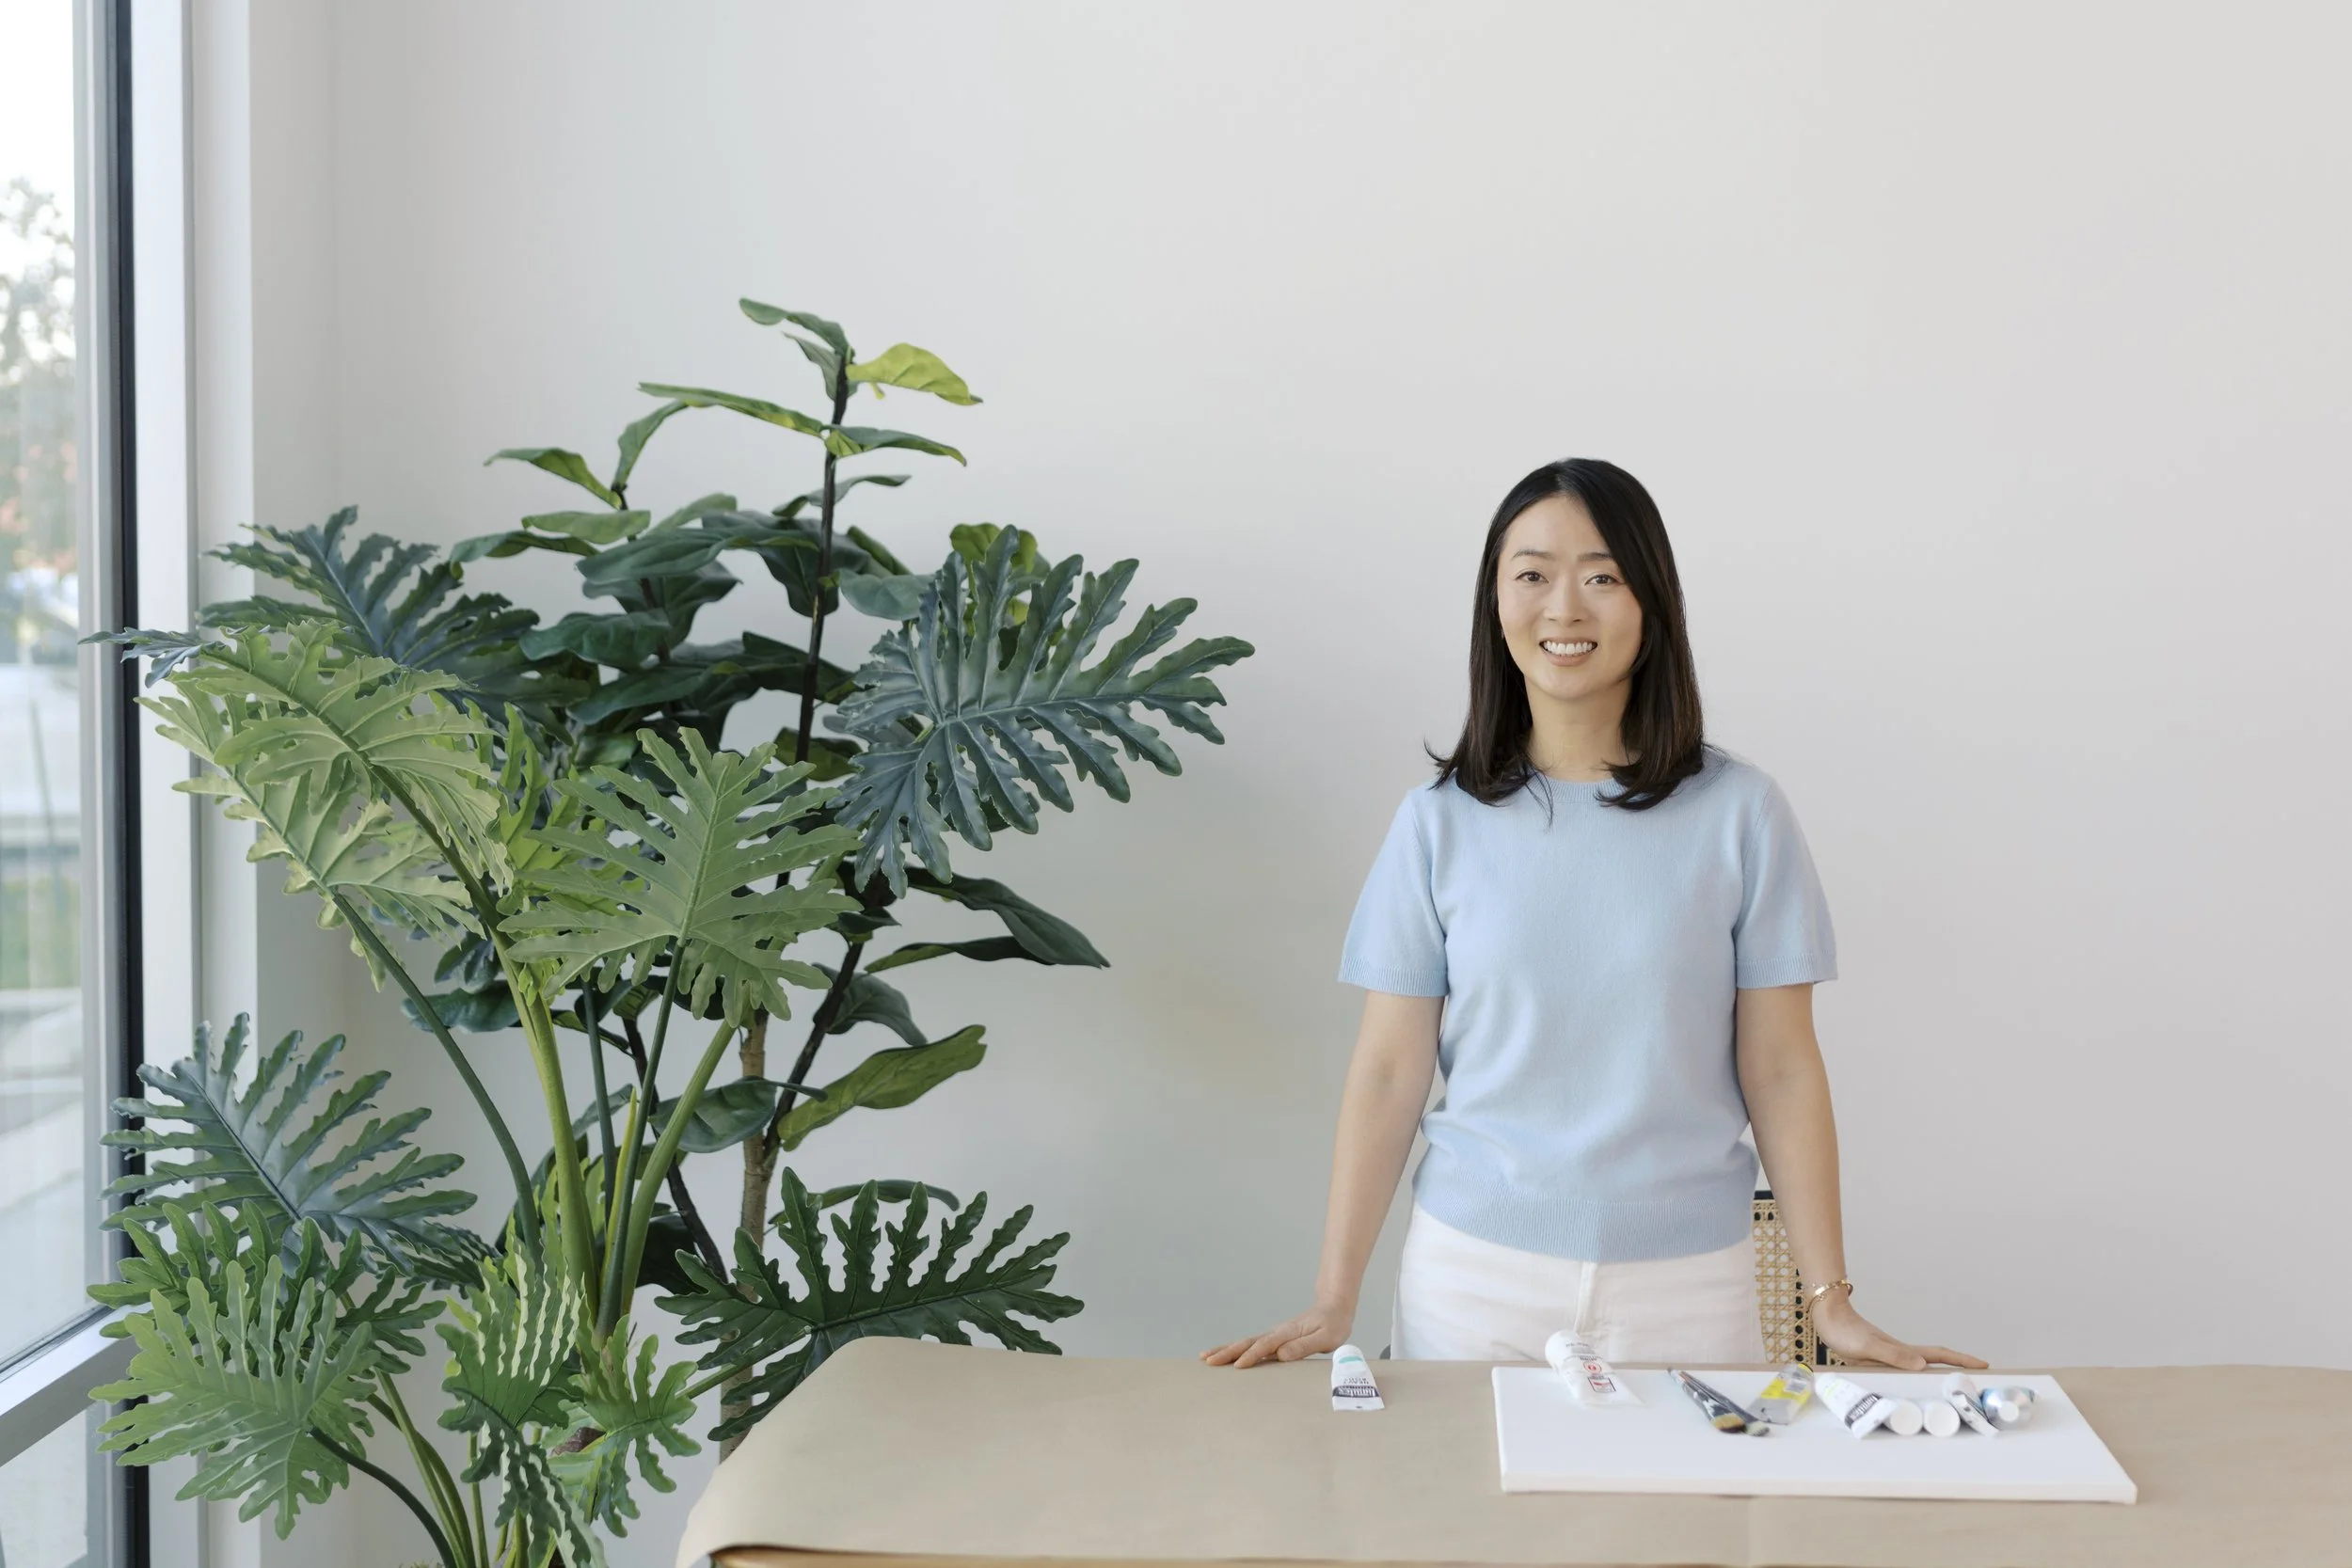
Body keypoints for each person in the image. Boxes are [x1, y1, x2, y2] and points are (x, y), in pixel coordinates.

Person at [1204, 458, 1984, 1372]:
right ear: (1494, 604)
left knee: (1692, 1522)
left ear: (1650, 603)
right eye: (1531, 574)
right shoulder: (1436, 823)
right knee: (1455, 1521)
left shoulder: (1742, 814)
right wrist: (1334, 1296)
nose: (1564, 607)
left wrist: (1833, 1304)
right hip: (1472, 1283)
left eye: (1602, 575)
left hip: (1691, 1289)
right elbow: (1387, 1069)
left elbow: (1779, 1066)